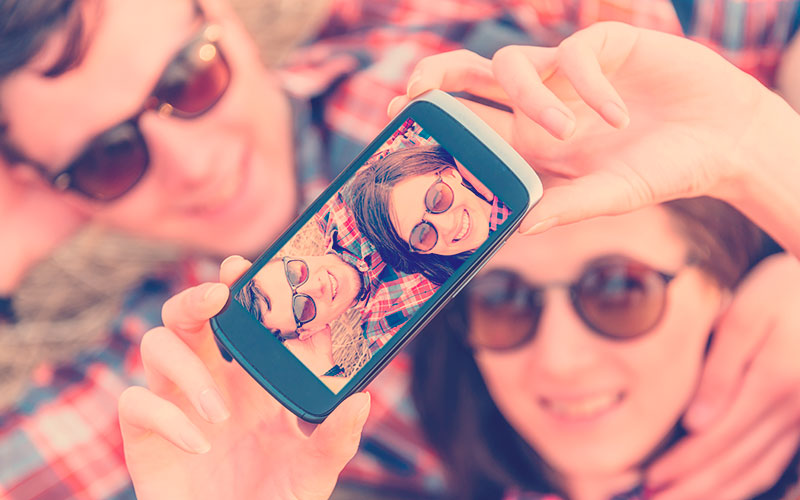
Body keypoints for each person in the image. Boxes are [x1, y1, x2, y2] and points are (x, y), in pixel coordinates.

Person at [3, 0, 800, 498]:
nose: (196, 163)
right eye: (110, 158)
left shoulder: (454, 35)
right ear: (53, 190)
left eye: (189, 79)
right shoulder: (199, 374)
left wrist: (776, 199)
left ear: (225, 19)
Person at [347, 144, 510, 285]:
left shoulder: (509, 167)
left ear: (450, 175)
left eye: (437, 199)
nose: (447, 225)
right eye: (422, 235)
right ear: (420, 252)